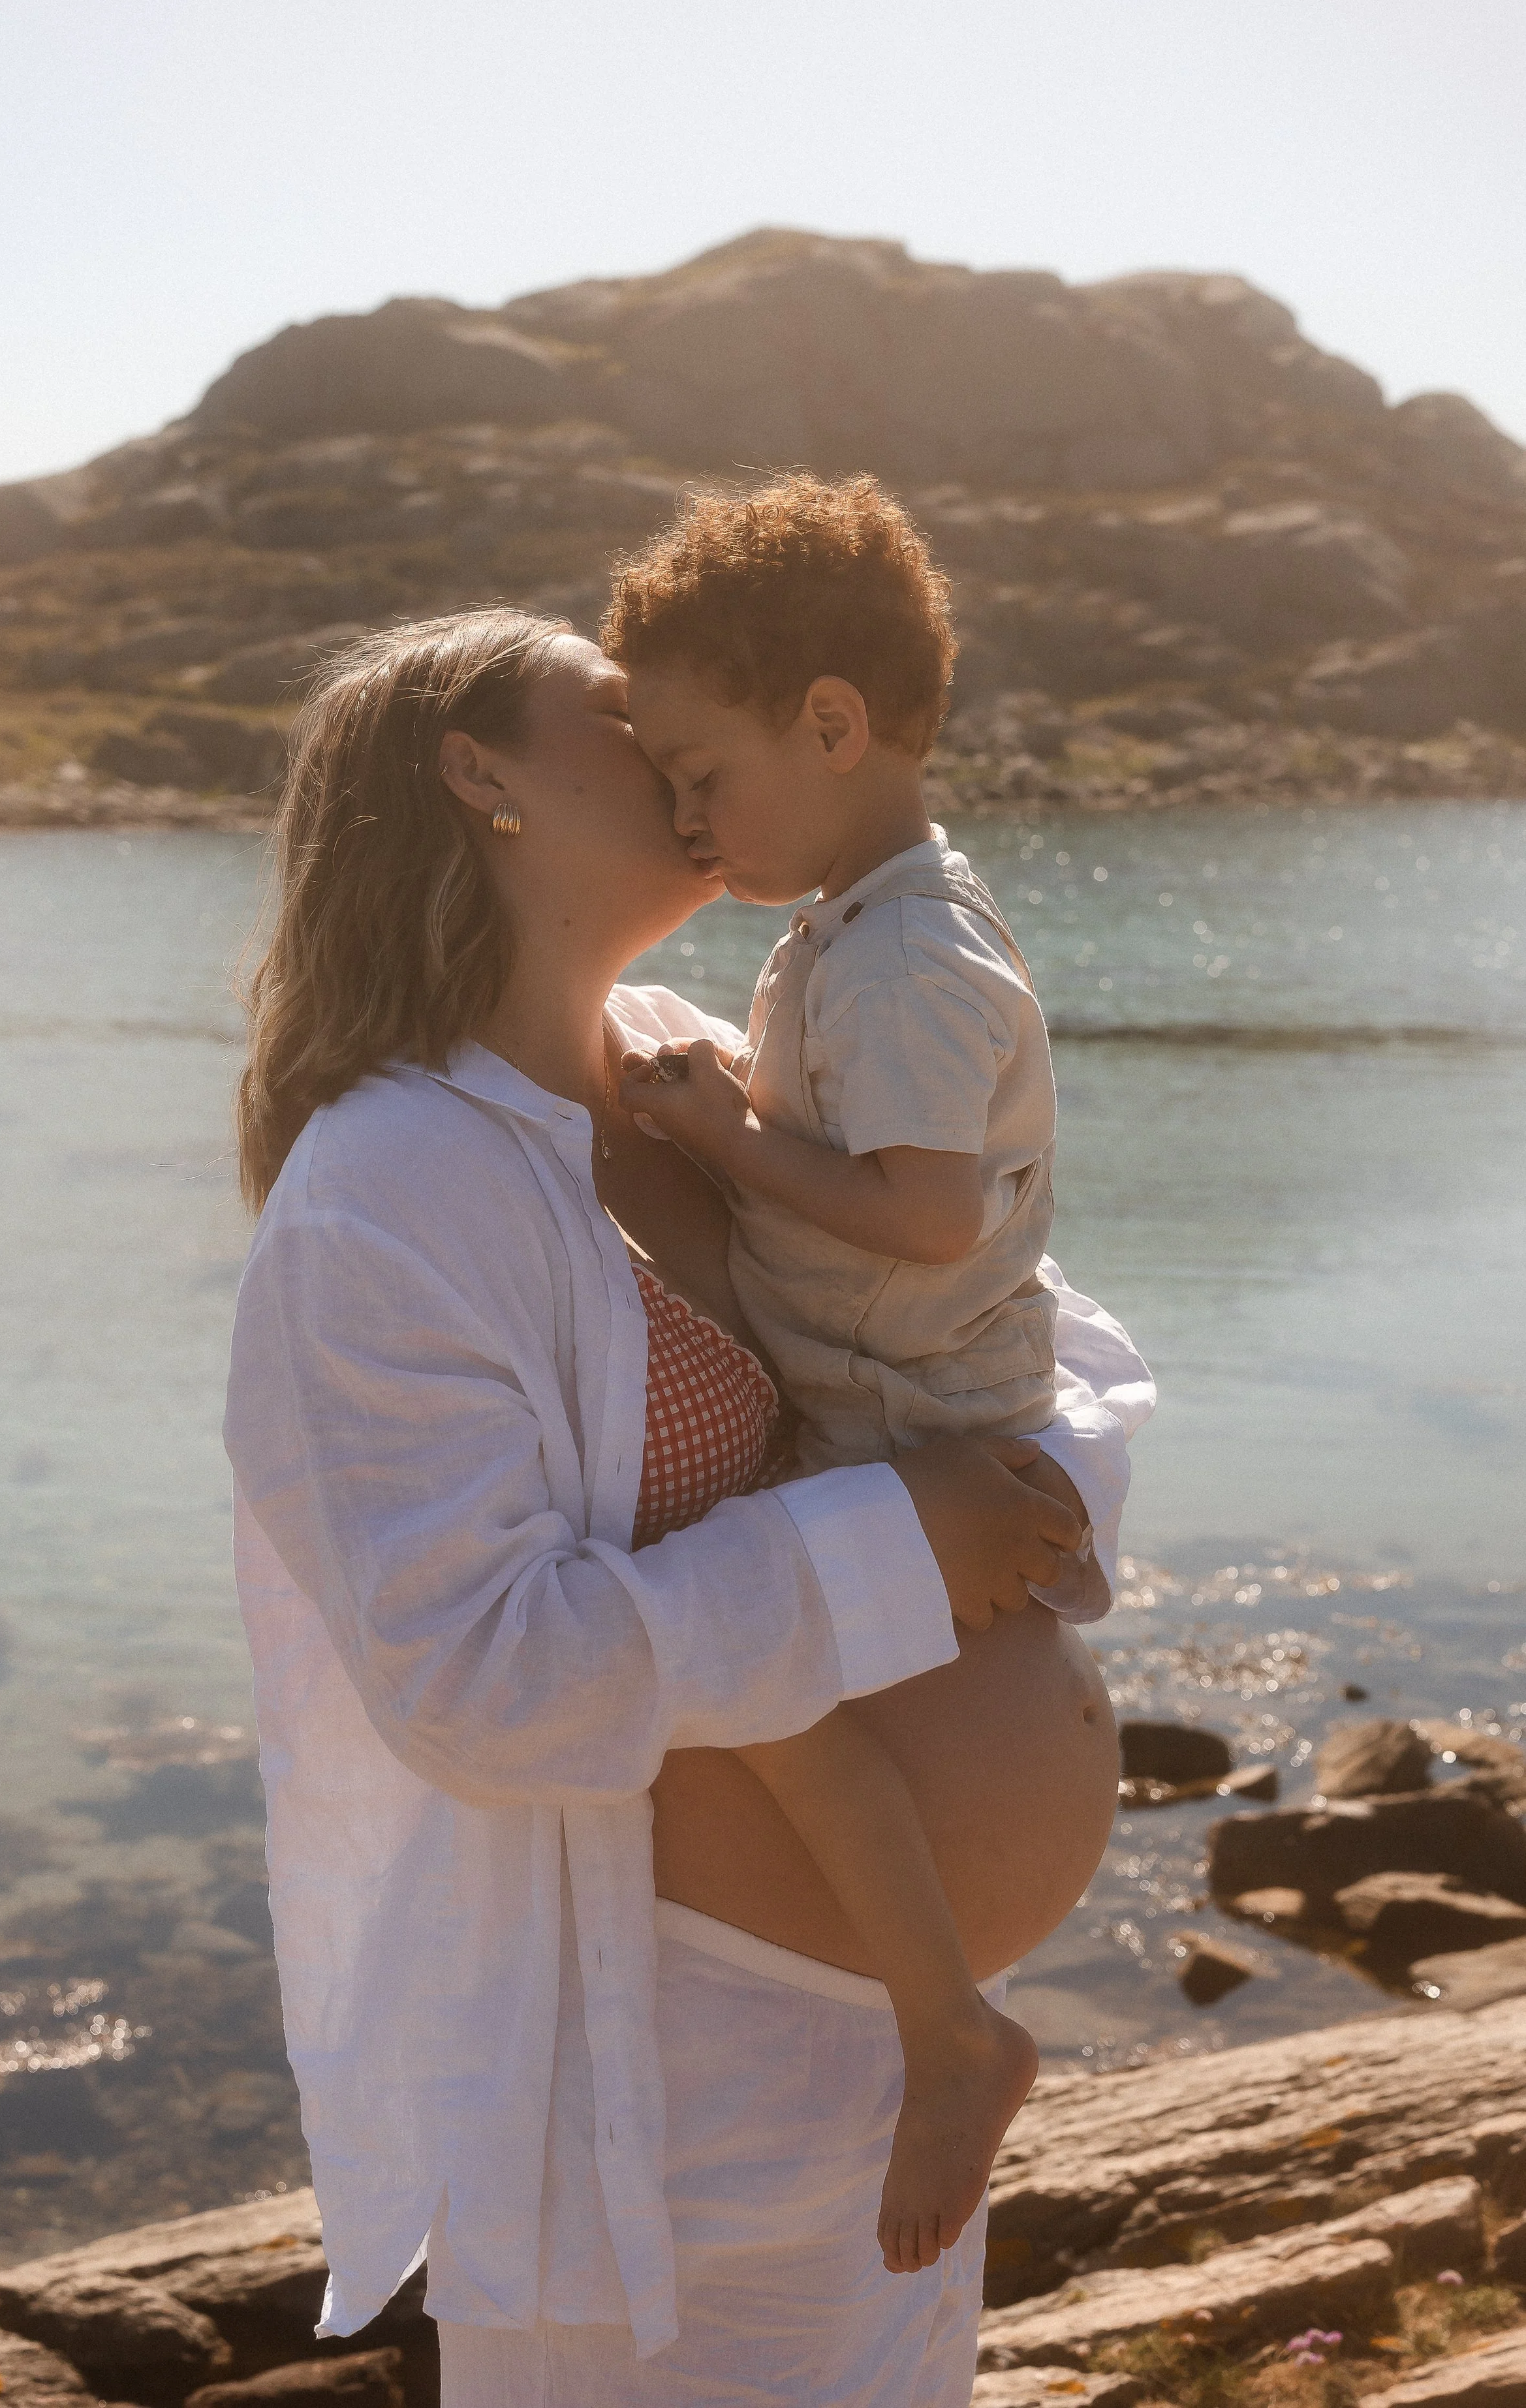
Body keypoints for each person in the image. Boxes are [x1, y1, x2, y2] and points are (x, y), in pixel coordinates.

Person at [224, 605, 1153, 2407]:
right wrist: (905, 1543)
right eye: (609, 705)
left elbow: (987, 1311)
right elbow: (479, 1681)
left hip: (886, 2070)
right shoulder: (384, 1192)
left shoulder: (673, 1059)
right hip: (675, 2102)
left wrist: (1026, 1512)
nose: (664, 729)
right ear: (480, 776)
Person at [606, 474, 1080, 2274]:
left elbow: (928, 1215)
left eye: (699, 775)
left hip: (899, 1412)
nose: (681, 817)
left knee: (760, 1687)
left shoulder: (901, 960)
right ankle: (944, 2019)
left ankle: (948, 2027)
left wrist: (722, 1138)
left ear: (829, 722)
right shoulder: (871, 925)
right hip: (876, 1372)